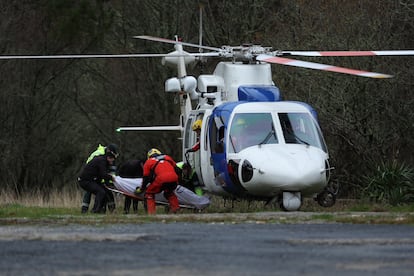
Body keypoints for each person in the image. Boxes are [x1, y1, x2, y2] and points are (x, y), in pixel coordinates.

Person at [135, 148, 180, 215]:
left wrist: (142, 189)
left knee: (149, 193)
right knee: (169, 192)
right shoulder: (167, 157)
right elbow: (177, 170)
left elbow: (146, 178)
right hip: (174, 179)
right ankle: (176, 210)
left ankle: (152, 213)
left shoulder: (149, 162)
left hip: (161, 180)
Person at [78, 145, 119, 213]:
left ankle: (100, 210)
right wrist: (111, 178)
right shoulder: (102, 161)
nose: (113, 162)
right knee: (100, 192)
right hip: (85, 180)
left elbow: (102, 174)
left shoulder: (104, 159)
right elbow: (103, 174)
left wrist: (108, 183)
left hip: (93, 179)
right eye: (112, 159)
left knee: (103, 191)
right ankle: (94, 210)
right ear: (109, 157)